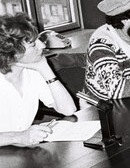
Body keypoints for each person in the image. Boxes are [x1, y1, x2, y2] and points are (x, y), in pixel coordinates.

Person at [0, 13, 77, 147]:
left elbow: (68, 109)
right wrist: (18, 137)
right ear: (12, 52)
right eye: (33, 44)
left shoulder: (32, 73)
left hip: (18, 155)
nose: (42, 46)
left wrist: (45, 69)